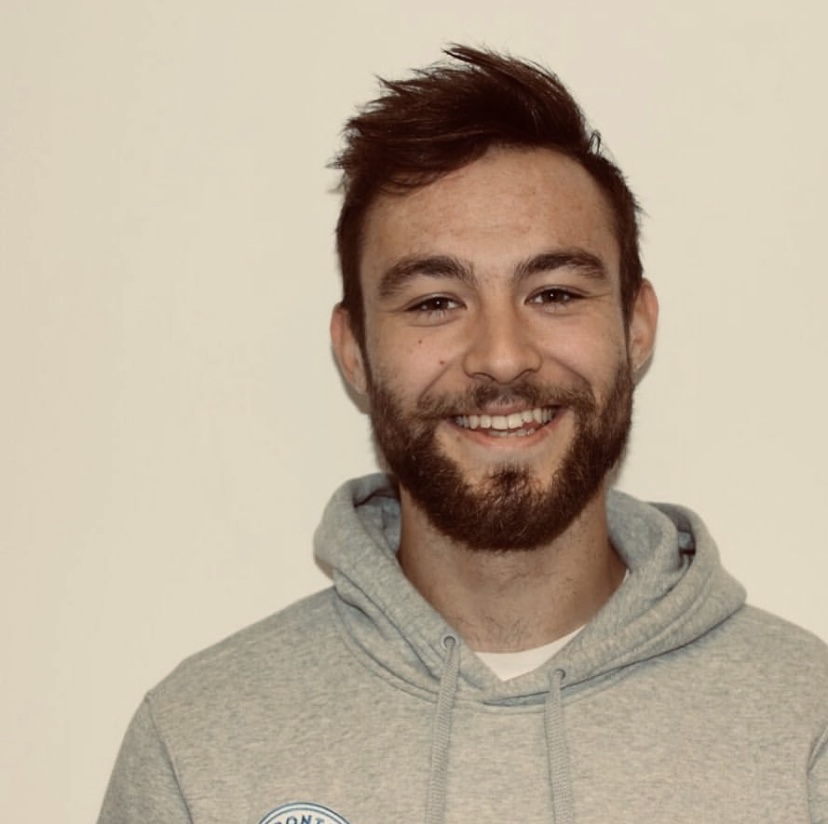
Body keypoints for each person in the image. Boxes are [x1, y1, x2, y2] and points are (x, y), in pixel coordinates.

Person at [98, 46, 828, 824]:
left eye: (554, 293)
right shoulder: (202, 745)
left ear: (637, 325)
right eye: (435, 303)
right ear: (354, 350)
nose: (502, 357)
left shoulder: (803, 729)